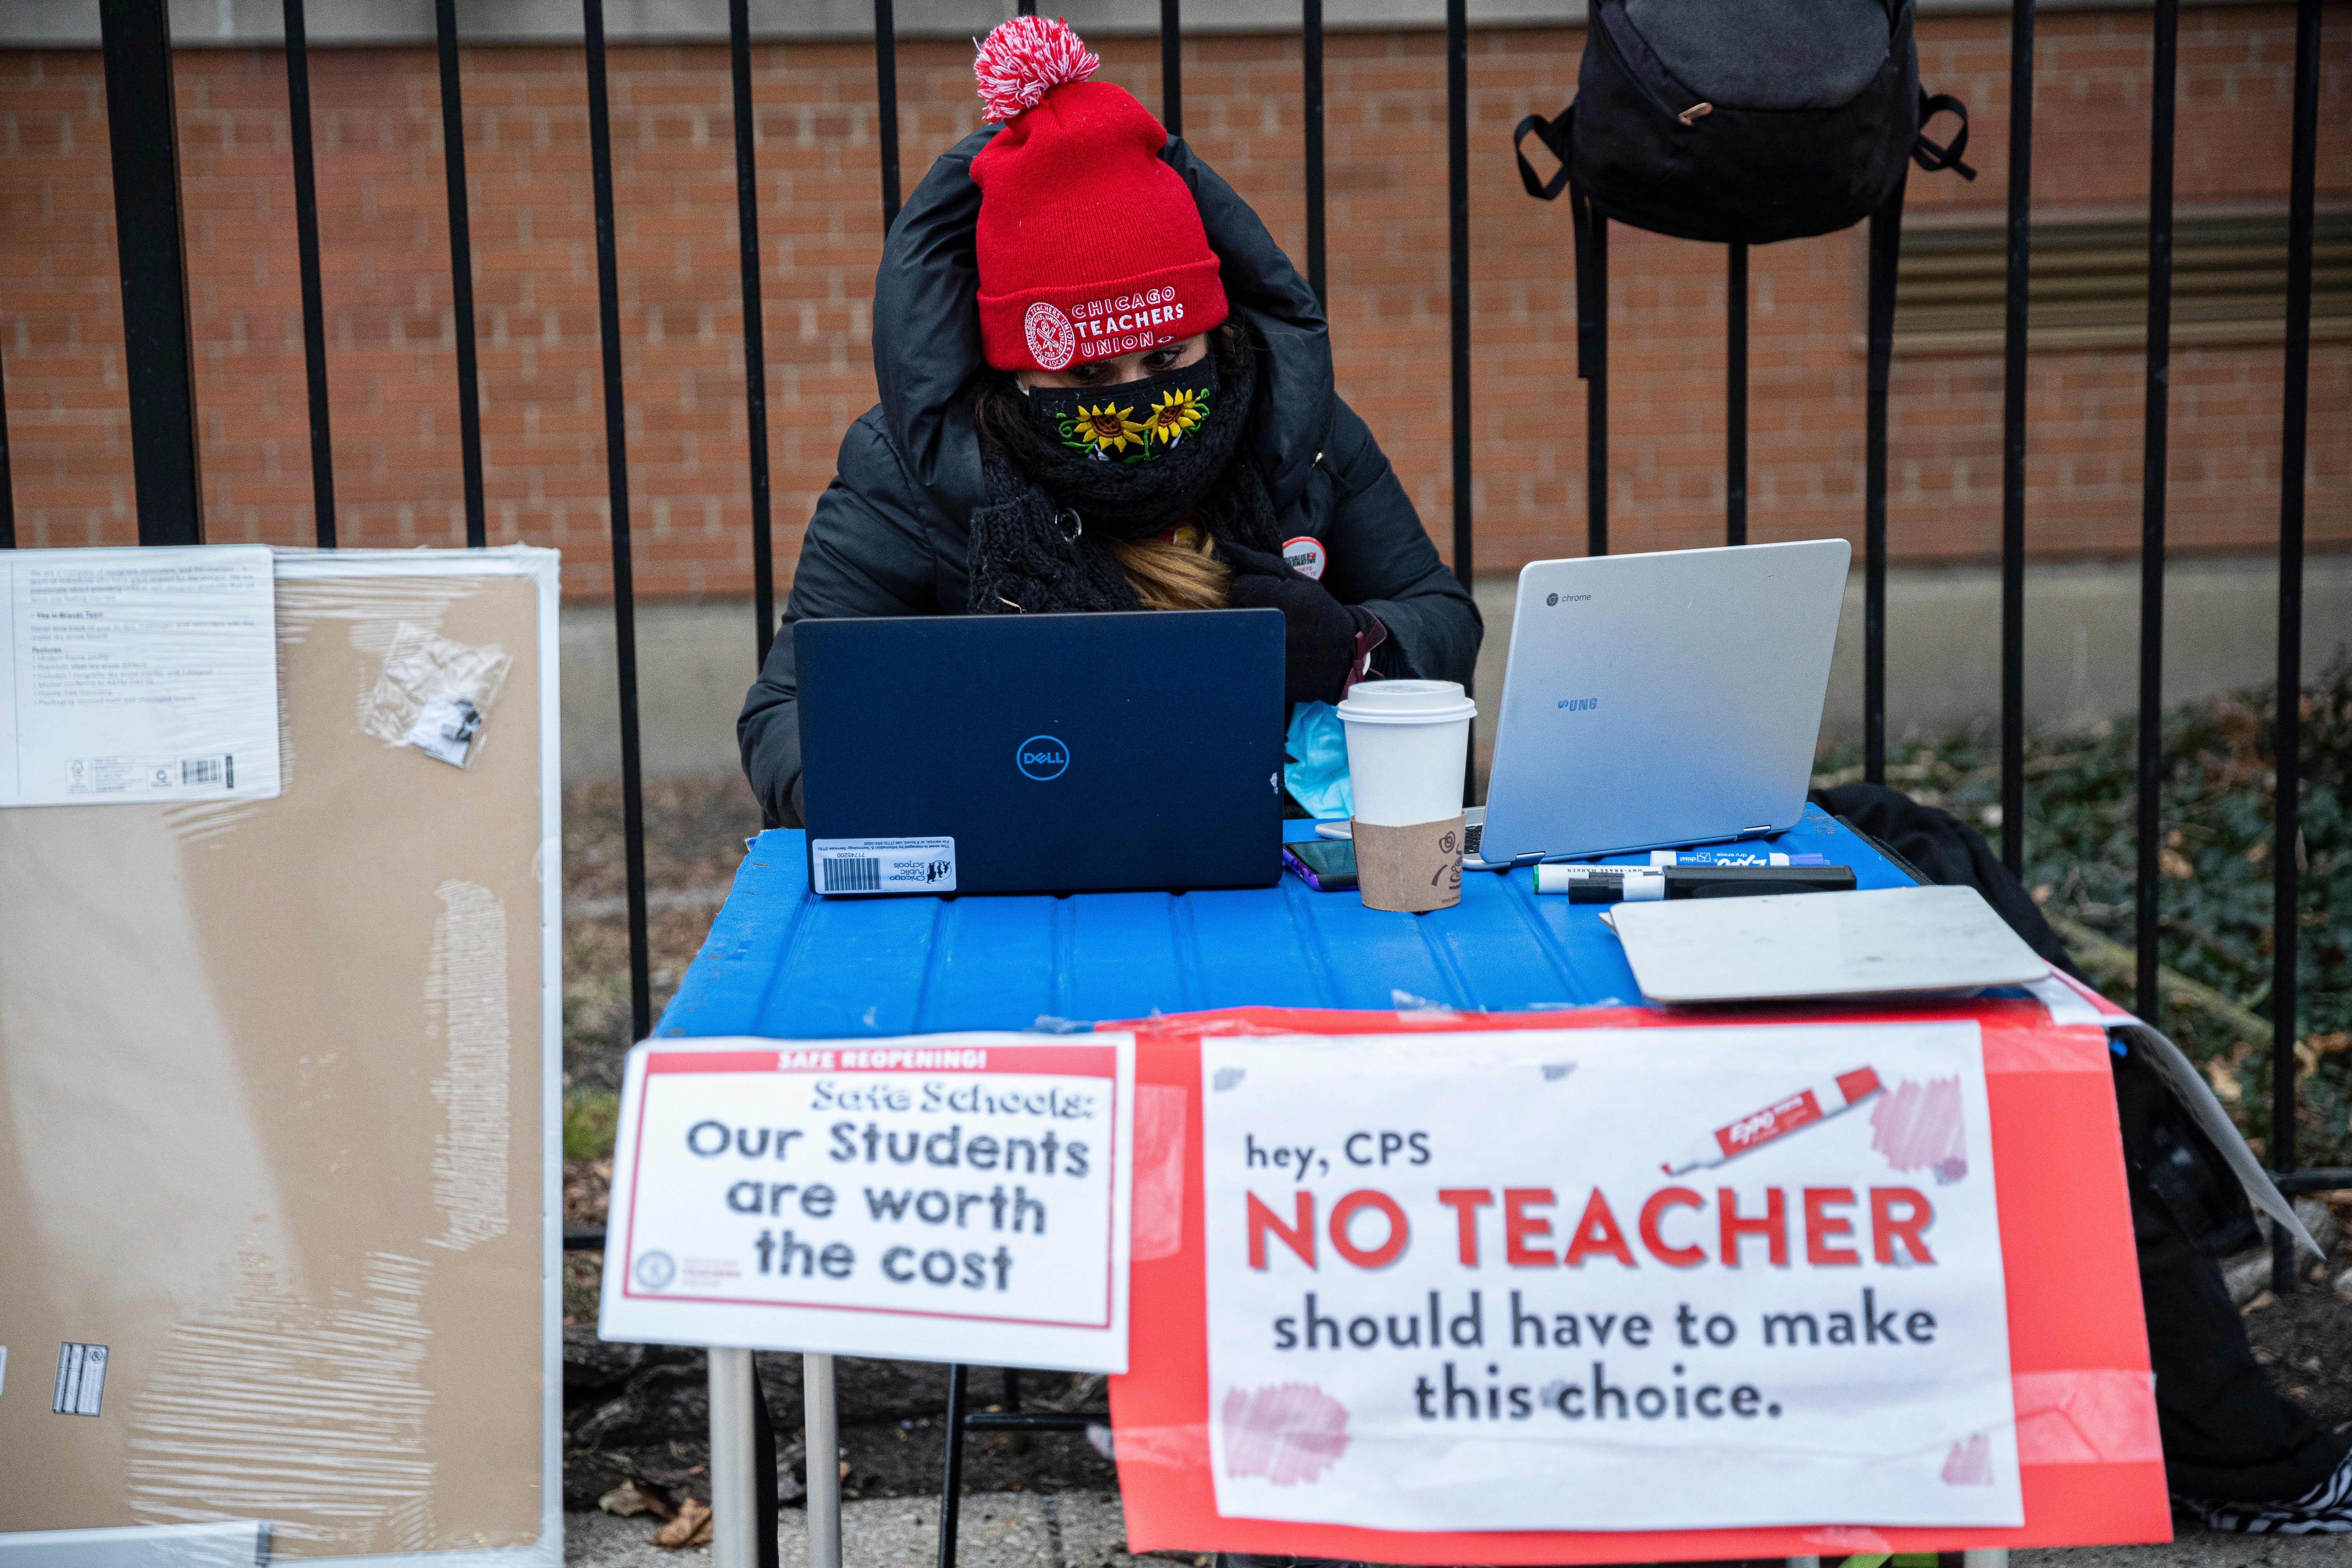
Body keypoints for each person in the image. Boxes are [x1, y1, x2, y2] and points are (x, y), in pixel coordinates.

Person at [739, 16, 1480, 828]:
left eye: (1167, 362)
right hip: (1021, 868)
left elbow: (1440, 614)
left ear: (1215, 331)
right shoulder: (914, 470)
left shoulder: (1293, 427)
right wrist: (932, 791)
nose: (1134, 402)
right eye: (1088, 376)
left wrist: (1353, 647)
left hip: (1271, 856)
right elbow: (788, 711)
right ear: (1015, 370)